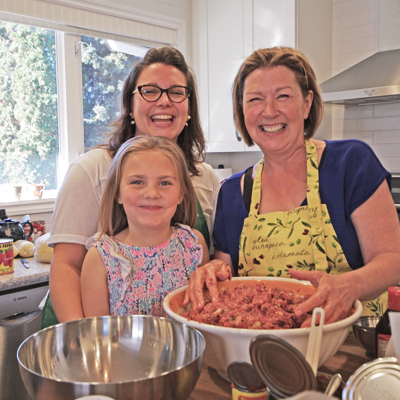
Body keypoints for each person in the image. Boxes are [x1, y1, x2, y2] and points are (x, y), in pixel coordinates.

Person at [184, 46, 400, 326]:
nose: (269, 111)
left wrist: (351, 285)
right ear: (242, 110)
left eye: (283, 96)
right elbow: (228, 278)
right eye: (255, 99)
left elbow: (393, 259)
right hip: (259, 351)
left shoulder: (350, 163)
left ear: (307, 103)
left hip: (351, 344)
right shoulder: (232, 193)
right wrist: (213, 270)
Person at [46, 46, 220, 325]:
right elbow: (67, 265)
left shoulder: (206, 177)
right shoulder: (91, 169)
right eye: (150, 91)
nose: (164, 101)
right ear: (130, 105)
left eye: (176, 92)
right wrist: (83, 339)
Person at [81, 136, 209, 317]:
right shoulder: (101, 258)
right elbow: (98, 338)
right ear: (117, 192)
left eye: (164, 183)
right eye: (137, 182)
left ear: (181, 193)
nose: (151, 193)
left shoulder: (194, 245)